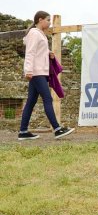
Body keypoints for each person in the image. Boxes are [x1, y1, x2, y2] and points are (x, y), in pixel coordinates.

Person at [18, 11, 74, 141]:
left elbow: (38, 49)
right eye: (48, 20)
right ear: (40, 20)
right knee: (48, 99)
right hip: (36, 72)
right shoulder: (34, 33)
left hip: (40, 72)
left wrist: (48, 52)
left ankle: (23, 131)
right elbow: (30, 52)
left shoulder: (39, 34)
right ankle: (57, 129)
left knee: (31, 102)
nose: (49, 23)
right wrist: (28, 70)